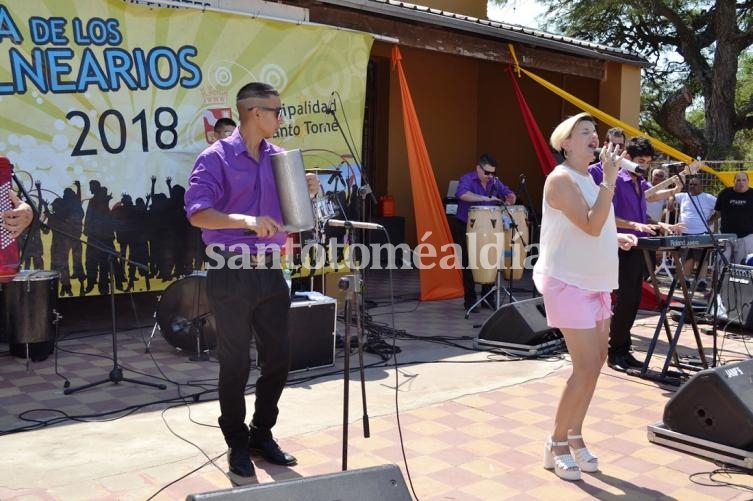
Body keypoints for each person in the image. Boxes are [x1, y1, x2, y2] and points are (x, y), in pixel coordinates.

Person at [185, 82, 318, 485]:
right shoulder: (215, 158)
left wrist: (306, 191)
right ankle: (237, 441)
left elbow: (295, 219)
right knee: (236, 363)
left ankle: (262, 433)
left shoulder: (281, 160)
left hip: (270, 269)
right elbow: (198, 214)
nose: (281, 118)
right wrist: (245, 220)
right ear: (255, 113)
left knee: (279, 357)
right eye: (277, 111)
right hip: (229, 270)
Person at [534, 112, 637, 481]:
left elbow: (599, 224)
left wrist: (617, 237)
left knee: (597, 362)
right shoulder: (560, 180)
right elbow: (591, 224)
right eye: (585, 132)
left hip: (596, 282)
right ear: (566, 143)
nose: (595, 137)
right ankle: (556, 442)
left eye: (595, 131)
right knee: (583, 366)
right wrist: (610, 178)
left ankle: (575, 435)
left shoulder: (590, 179)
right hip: (567, 281)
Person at [589, 136, 683, 372]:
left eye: (648, 162)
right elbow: (600, 212)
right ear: (627, 158)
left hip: (637, 246)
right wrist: (633, 225)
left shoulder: (638, 181)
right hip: (617, 245)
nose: (645, 166)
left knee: (631, 300)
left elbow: (645, 208)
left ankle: (622, 348)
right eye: (641, 161)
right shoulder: (607, 175)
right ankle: (615, 351)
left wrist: (660, 224)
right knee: (624, 299)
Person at [452, 153, 516, 312]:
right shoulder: (467, 178)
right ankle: (470, 300)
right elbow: (462, 194)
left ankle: (488, 298)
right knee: (468, 264)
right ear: (478, 168)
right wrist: (485, 198)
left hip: (490, 227)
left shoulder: (495, 181)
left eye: (492, 173)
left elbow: (510, 194)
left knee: (490, 260)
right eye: (486, 172)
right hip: (466, 225)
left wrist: (509, 199)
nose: (490, 176)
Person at [670, 177, 717, 290]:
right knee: (687, 257)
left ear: (701, 186)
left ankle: (701, 281)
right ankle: (685, 280)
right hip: (685, 233)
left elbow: (720, 209)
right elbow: (672, 195)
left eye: (695, 184)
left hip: (702, 232)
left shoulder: (708, 198)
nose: (692, 186)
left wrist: (711, 220)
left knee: (702, 258)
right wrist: (671, 202)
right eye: (690, 184)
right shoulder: (684, 196)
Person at [710, 171, 753, 265]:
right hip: (726, 236)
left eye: (743, 180)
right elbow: (718, 213)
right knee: (720, 263)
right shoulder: (725, 193)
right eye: (738, 180)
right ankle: (722, 280)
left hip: (746, 237)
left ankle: (737, 280)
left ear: (748, 181)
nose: (741, 183)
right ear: (734, 181)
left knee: (742, 266)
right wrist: (708, 223)